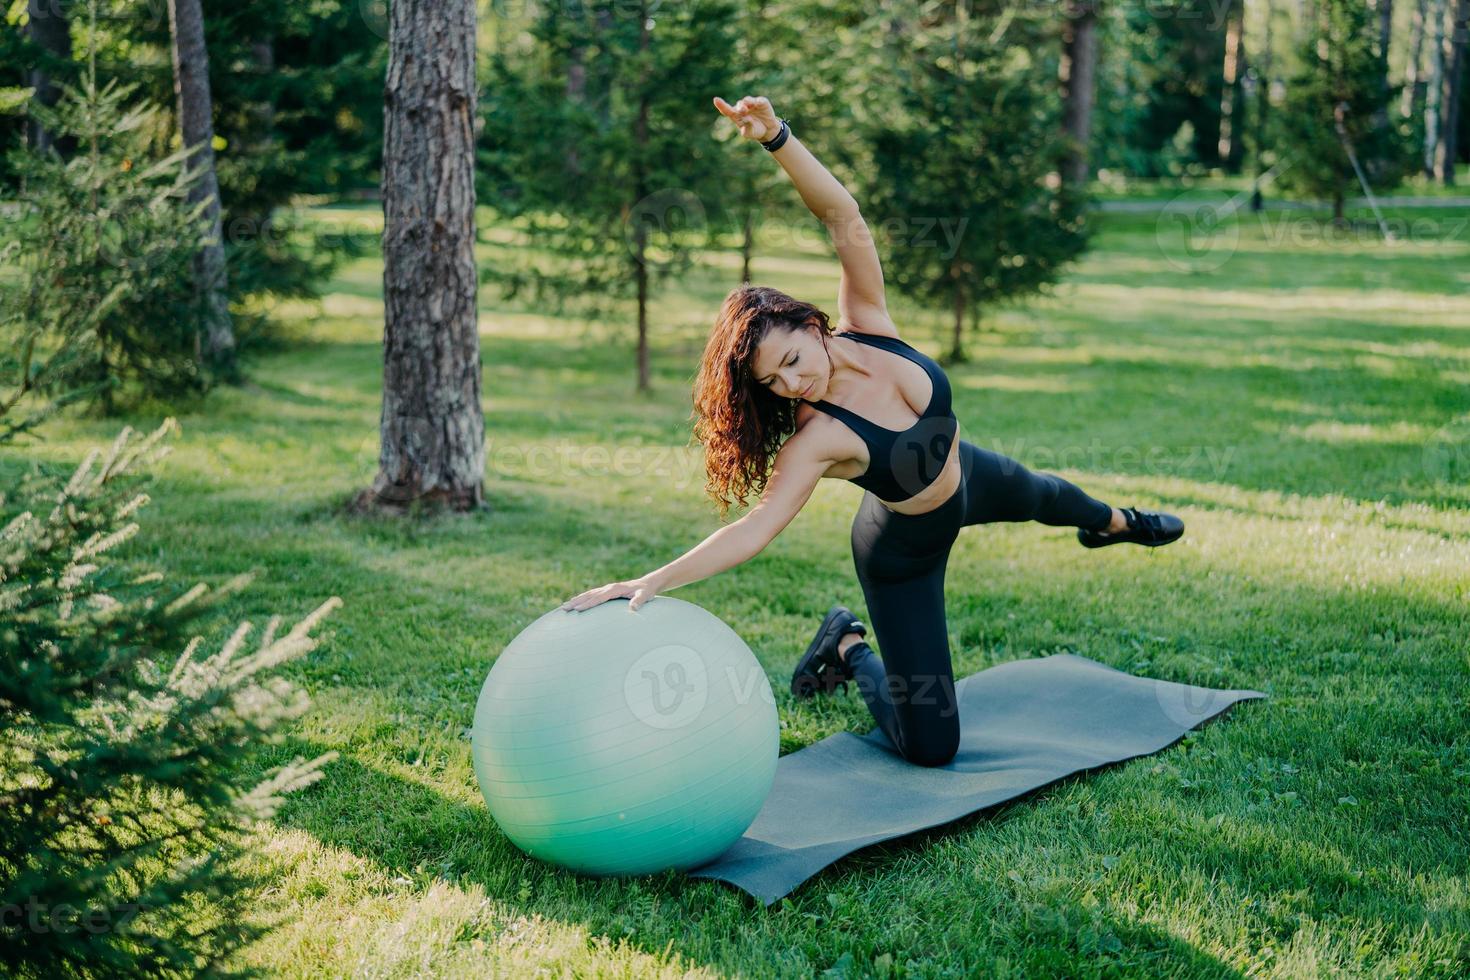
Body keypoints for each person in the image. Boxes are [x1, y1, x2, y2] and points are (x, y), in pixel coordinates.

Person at [560, 95, 1183, 768]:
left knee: (1050, 497)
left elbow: (842, 216)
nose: (792, 385)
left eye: (793, 362)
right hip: (902, 553)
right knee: (932, 747)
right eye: (774, 383)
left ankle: (1117, 523)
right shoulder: (817, 438)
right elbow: (755, 528)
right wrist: (652, 580)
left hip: (965, 475)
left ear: (812, 325)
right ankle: (847, 646)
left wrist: (777, 138)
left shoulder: (869, 323)